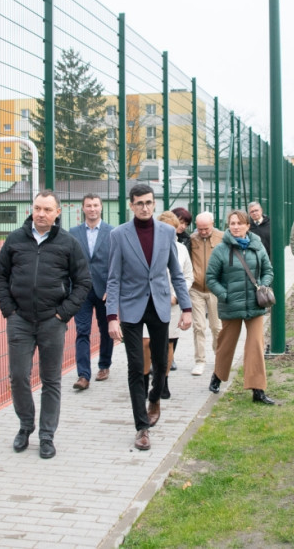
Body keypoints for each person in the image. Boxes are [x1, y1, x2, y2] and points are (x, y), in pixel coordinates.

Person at [0, 190, 91, 459]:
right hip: (20, 320)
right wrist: (9, 310)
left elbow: (83, 282)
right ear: (32, 210)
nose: (41, 214)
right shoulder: (15, 239)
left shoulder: (68, 243)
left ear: (57, 212)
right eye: (37, 208)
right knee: (18, 377)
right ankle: (26, 426)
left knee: (51, 380)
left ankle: (47, 435)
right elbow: (0, 274)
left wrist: (63, 314)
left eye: (48, 209)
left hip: (52, 321)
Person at [106, 184, 193, 451]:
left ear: (154, 204)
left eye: (149, 202)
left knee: (161, 361)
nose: (145, 207)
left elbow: (176, 274)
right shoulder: (119, 235)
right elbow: (113, 279)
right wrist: (111, 316)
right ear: (131, 205)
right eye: (139, 203)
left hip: (159, 304)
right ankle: (142, 428)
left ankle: (155, 396)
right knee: (135, 367)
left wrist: (187, 308)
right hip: (131, 308)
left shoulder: (167, 232)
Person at [206, 210, 276, 404]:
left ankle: (258, 390)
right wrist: (225, 295)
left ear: (247, 226)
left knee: (256, 345)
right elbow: (211, 278)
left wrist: (263, 284)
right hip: (231, 305)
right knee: (226, 344)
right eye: (232, 223)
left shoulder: (257, 246)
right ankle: (218, 375)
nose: (235, 226)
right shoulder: (221, 250)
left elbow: (268, 270)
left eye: (239, 223)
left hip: (255, 304)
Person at [69, 193, 114, 390]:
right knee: (82, 332)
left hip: (104, 291)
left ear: (101, 207)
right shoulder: (73, 233)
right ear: (83, 208)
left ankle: (104, 365)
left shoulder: (112, 233)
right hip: (81, 291)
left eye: (96, 205)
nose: (92, 209)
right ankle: (83, 375)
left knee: (106, 331)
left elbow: (116, 263)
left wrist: (112, 289)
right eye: (88, 205)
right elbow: (68, 262)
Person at [153, 210, 193, 397]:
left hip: (173, 304)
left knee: (169, 344)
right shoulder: (150, 247)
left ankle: (163, 381)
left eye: (173, 229)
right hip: (151, 303)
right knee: (150, 344)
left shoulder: (182, 249)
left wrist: (177, 297)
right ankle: (150, 377)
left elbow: (187, 276)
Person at [188, 211, 223, 375]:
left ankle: (219, 356)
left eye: (206, 228)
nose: (202, 232)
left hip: (215, 288)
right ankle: (200, 360)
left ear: (213, 224)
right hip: (196, 288)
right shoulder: (192, 239)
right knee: (199, 326)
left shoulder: (222, 238)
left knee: (216, 326)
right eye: (199, 228)